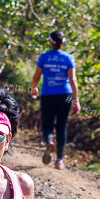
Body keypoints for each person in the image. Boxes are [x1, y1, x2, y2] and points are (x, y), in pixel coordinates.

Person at [30, 30, 80, 170]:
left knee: (47, 125)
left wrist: (34, 88)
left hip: (48, 95)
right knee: (62, 126)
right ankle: (59, 160)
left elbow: (37, 76)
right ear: (63, 42)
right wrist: (76, 101)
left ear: (50, 42)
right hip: (65, 96)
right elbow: (73, 79)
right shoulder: (68, 58)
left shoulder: (44, 57)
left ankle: (49, 142)